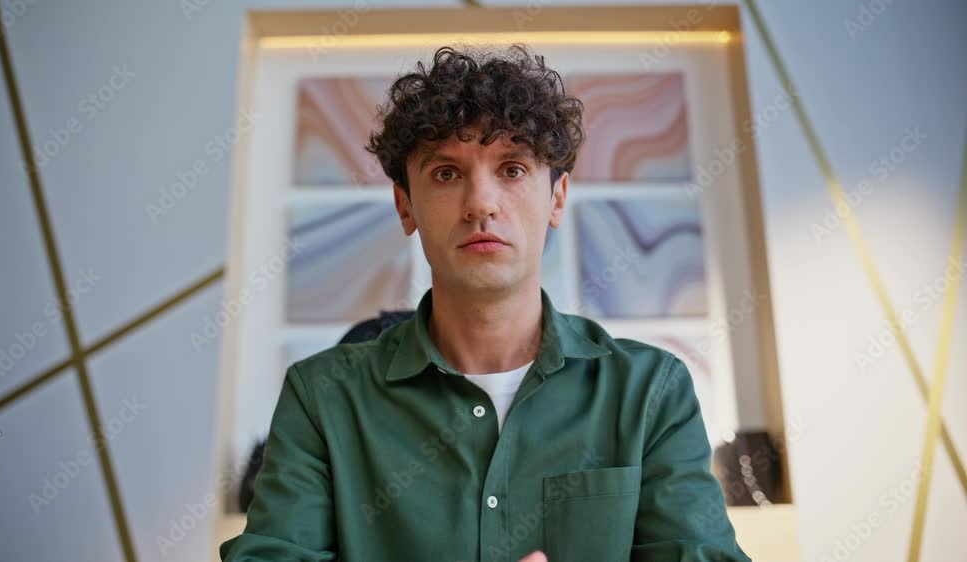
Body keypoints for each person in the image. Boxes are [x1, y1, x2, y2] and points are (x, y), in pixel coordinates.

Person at [220, 44, 751, 562]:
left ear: (557, 197)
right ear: (405, 206)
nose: (480, 204)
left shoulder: (651, 392)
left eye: (512, 169)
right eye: (446, 174)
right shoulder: (321, 397)